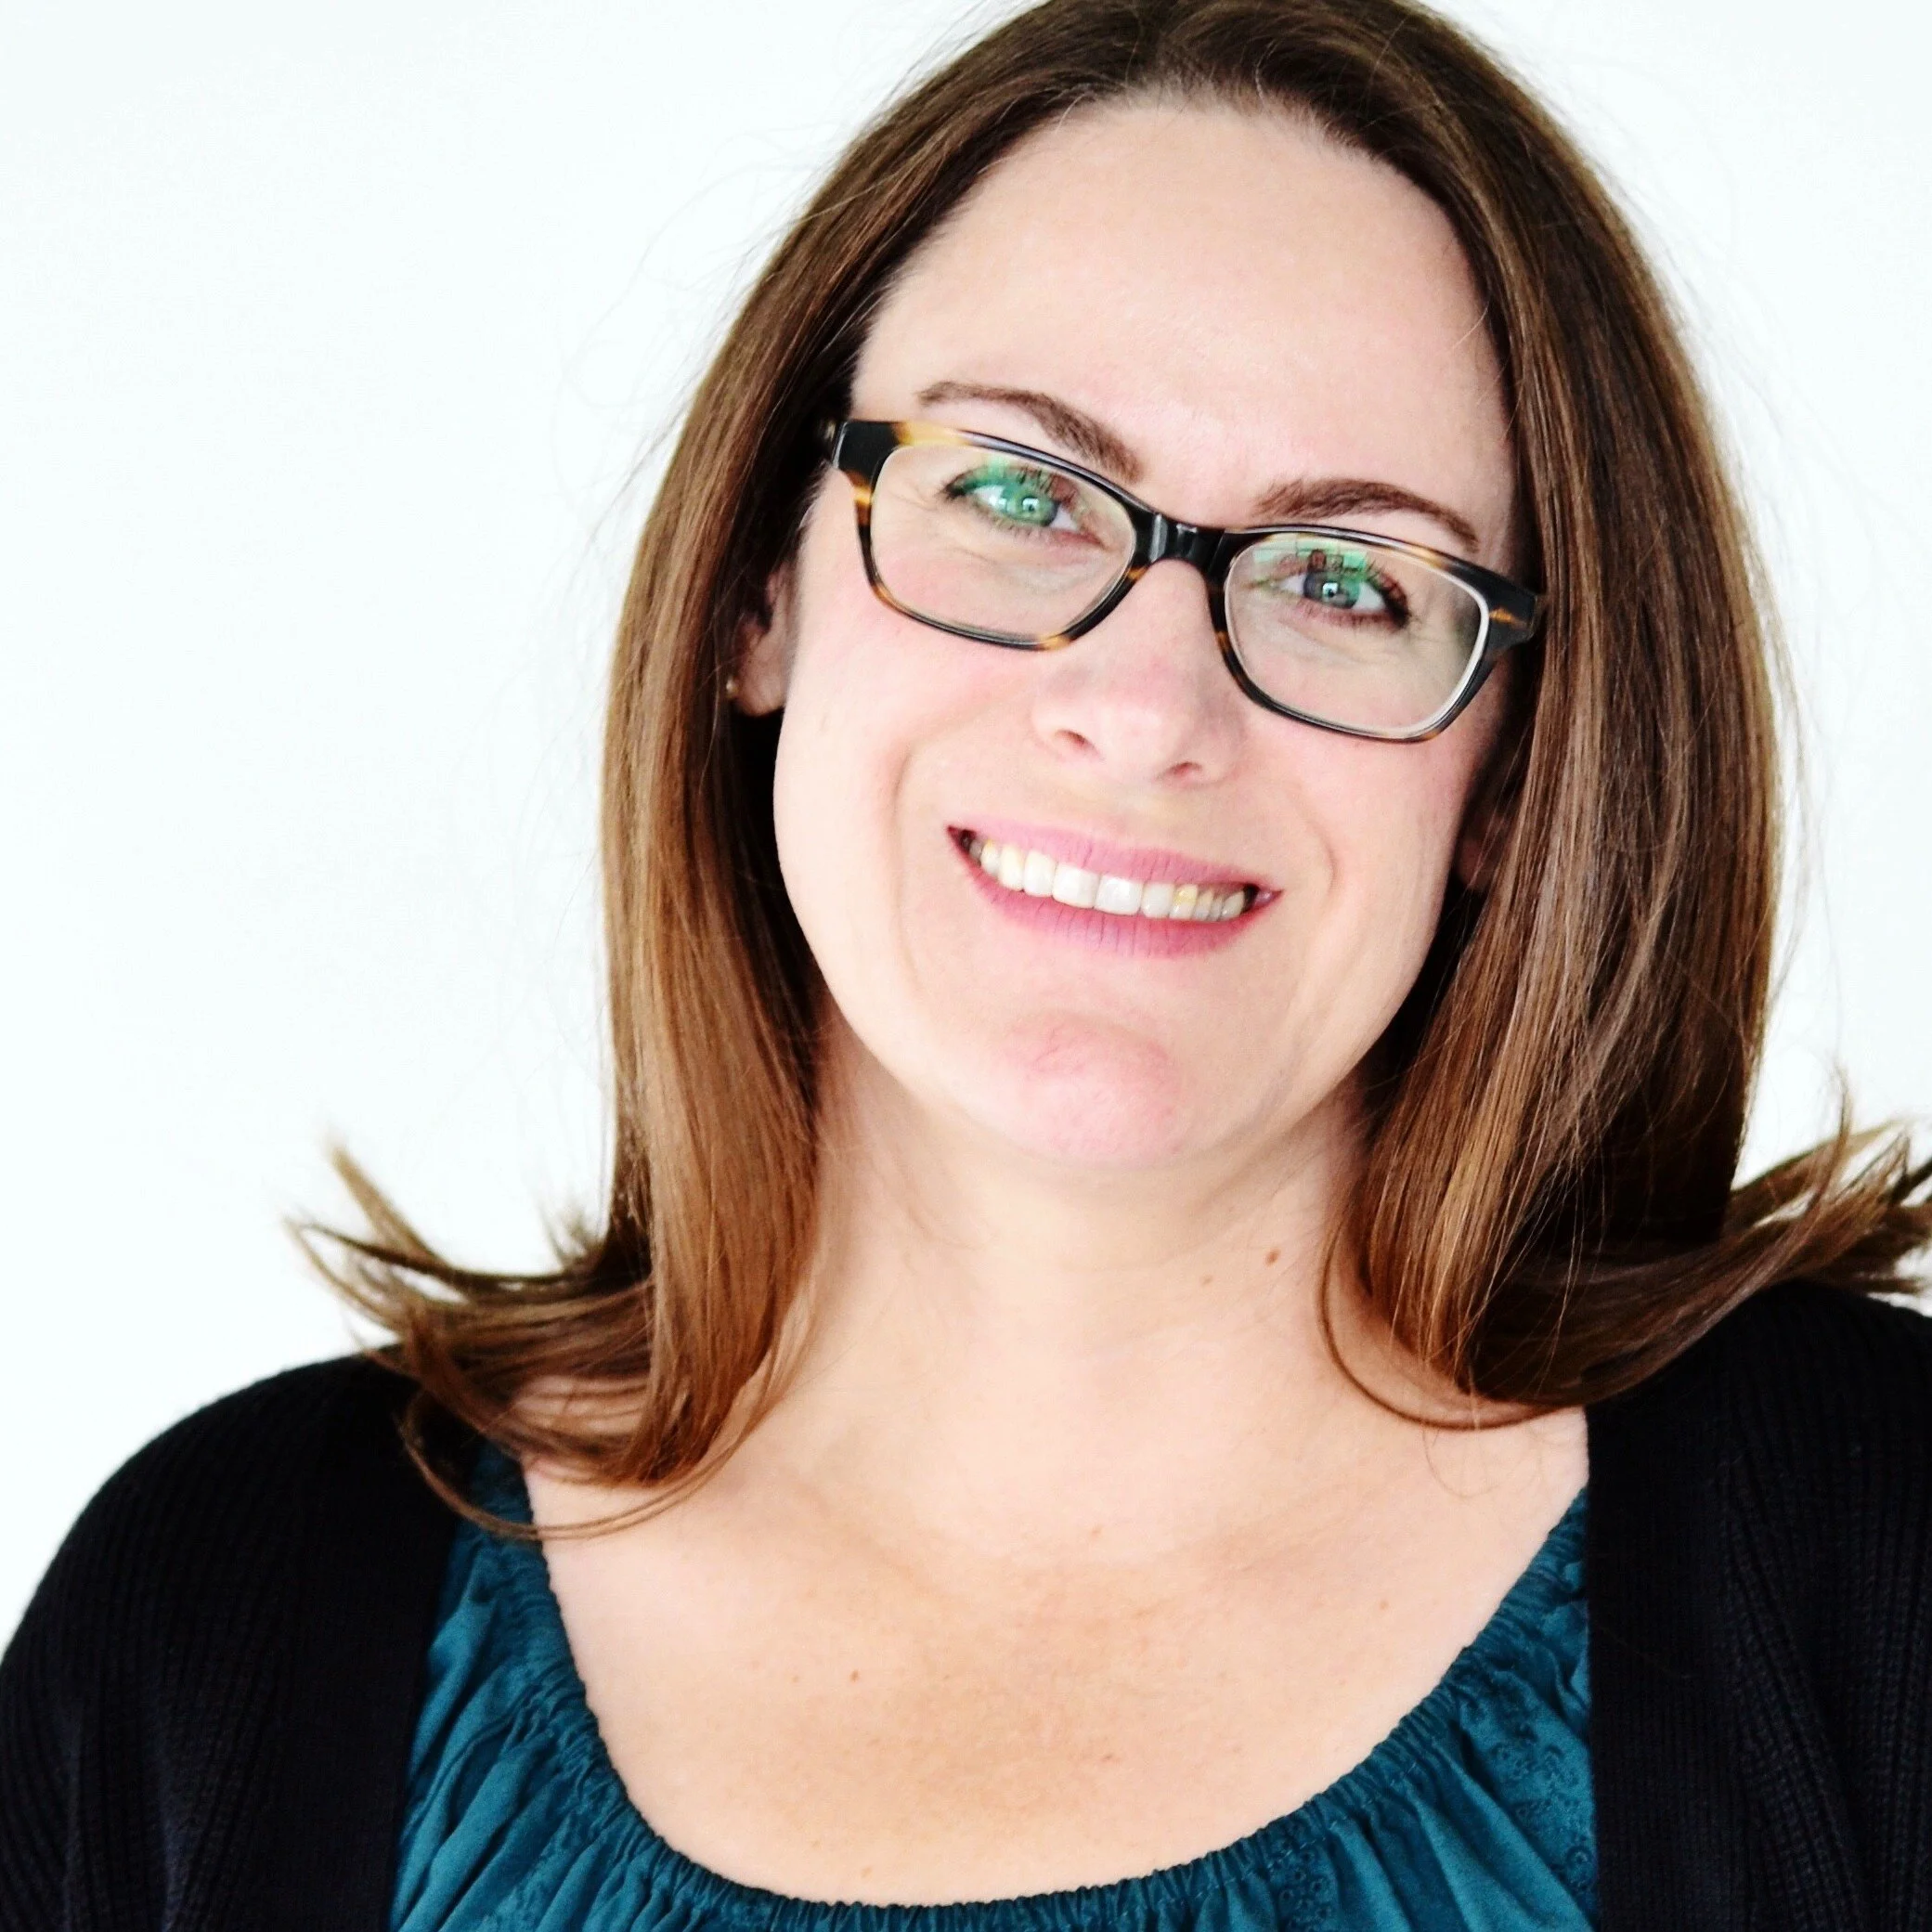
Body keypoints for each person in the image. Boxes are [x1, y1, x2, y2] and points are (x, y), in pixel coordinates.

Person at [4, 0, 1930, 1926]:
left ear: (1514, 768)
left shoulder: (1877, 1560)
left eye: (1348, 580)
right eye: (1013, 493)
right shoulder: (212, 1621)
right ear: (761, 594)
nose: (1145, 701)